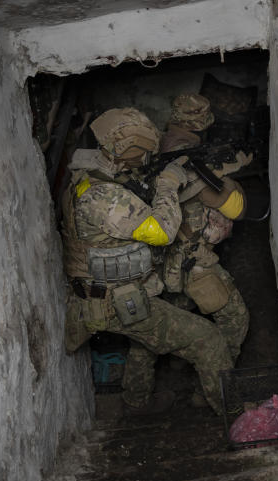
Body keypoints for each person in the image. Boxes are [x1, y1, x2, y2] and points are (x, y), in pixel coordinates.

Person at [60, 107, 233, 415]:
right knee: (209, 340)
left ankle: (135, 400)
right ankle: (234, 417)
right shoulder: (102, 200)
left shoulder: (91, 175)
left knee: (148, 339)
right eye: (144, 154)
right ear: (129, 151)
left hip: (114, 292)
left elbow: (133, 190)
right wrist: (167, 184)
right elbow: (163, 232)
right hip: (115, 302)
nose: (147, 160)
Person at [159, 94, 251, 368]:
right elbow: (236, 210)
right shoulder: (190, 162)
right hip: (192, 259)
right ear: (203, 124)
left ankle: (136, 394)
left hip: (165, 254)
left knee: (162, 322)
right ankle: (218, 383)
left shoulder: (165, 143)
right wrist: (232, 179)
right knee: (235, 318)